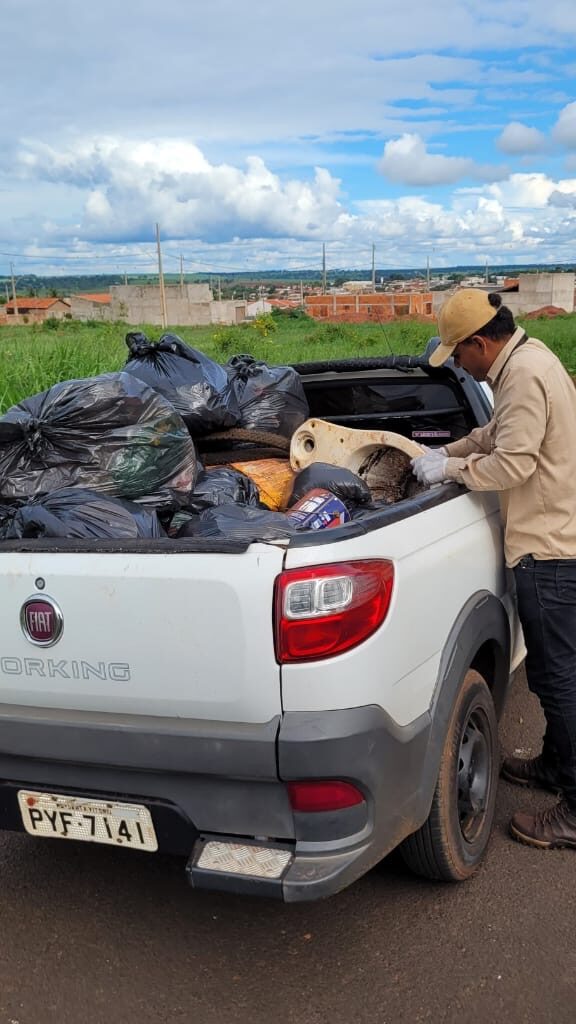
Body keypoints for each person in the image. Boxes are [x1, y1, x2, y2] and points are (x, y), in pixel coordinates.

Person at [411, 288, 576, 849]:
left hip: (550, 549)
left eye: (459, 354)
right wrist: (445, 454)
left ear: (482, 342)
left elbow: (512, 463)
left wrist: (454, 474)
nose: (459, 364)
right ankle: (556, 765)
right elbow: (492, 437)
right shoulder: (525, 365)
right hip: (553, 541)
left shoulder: (524, 376)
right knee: (555, 675)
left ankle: (574, 810)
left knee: (558, 679)